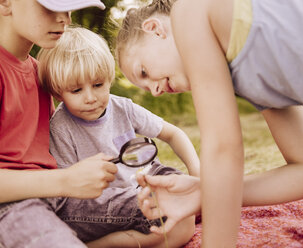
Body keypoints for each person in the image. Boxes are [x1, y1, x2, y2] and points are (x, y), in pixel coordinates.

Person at [115, 0, 303, 246]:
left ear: (155, 29)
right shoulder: (253, 82)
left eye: (143, 71)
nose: (154, 91)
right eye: (144, 87)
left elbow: (223, 150)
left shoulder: (190, 12)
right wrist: (206, 192)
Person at [0, 0, 126, 247]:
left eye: (68, 8)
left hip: (51, 196)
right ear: (4, 2)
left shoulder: (40, 73)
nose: (65, 19)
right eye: (50, 7)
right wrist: (65, 181)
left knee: (164, 211)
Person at [36, 25, 198, 247]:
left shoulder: (123, 108)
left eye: (98, 85)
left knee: (184, 192)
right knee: (171, 210)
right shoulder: (61, 127)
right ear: (57, 93)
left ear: (109, 79)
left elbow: (173, 134)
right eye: (76, 91)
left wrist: (196, 173)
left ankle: (140, 236)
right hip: (98, 201)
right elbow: (69, 190)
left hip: (140, 182)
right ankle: (112, 243)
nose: (91, 97)